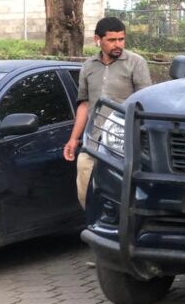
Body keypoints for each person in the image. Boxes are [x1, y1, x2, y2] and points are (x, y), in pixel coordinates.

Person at [64, 17, 152, 209]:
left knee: (120, 198)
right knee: (85, 193)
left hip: (122, 144)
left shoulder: (136, 63)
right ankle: (92, 228)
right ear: (98, 39)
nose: (118, 44)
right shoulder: (88, 66)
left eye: (121, 39)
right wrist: (74, 139)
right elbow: (85, 105)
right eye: (112, 40)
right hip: (93, 141)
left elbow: (145, 104)